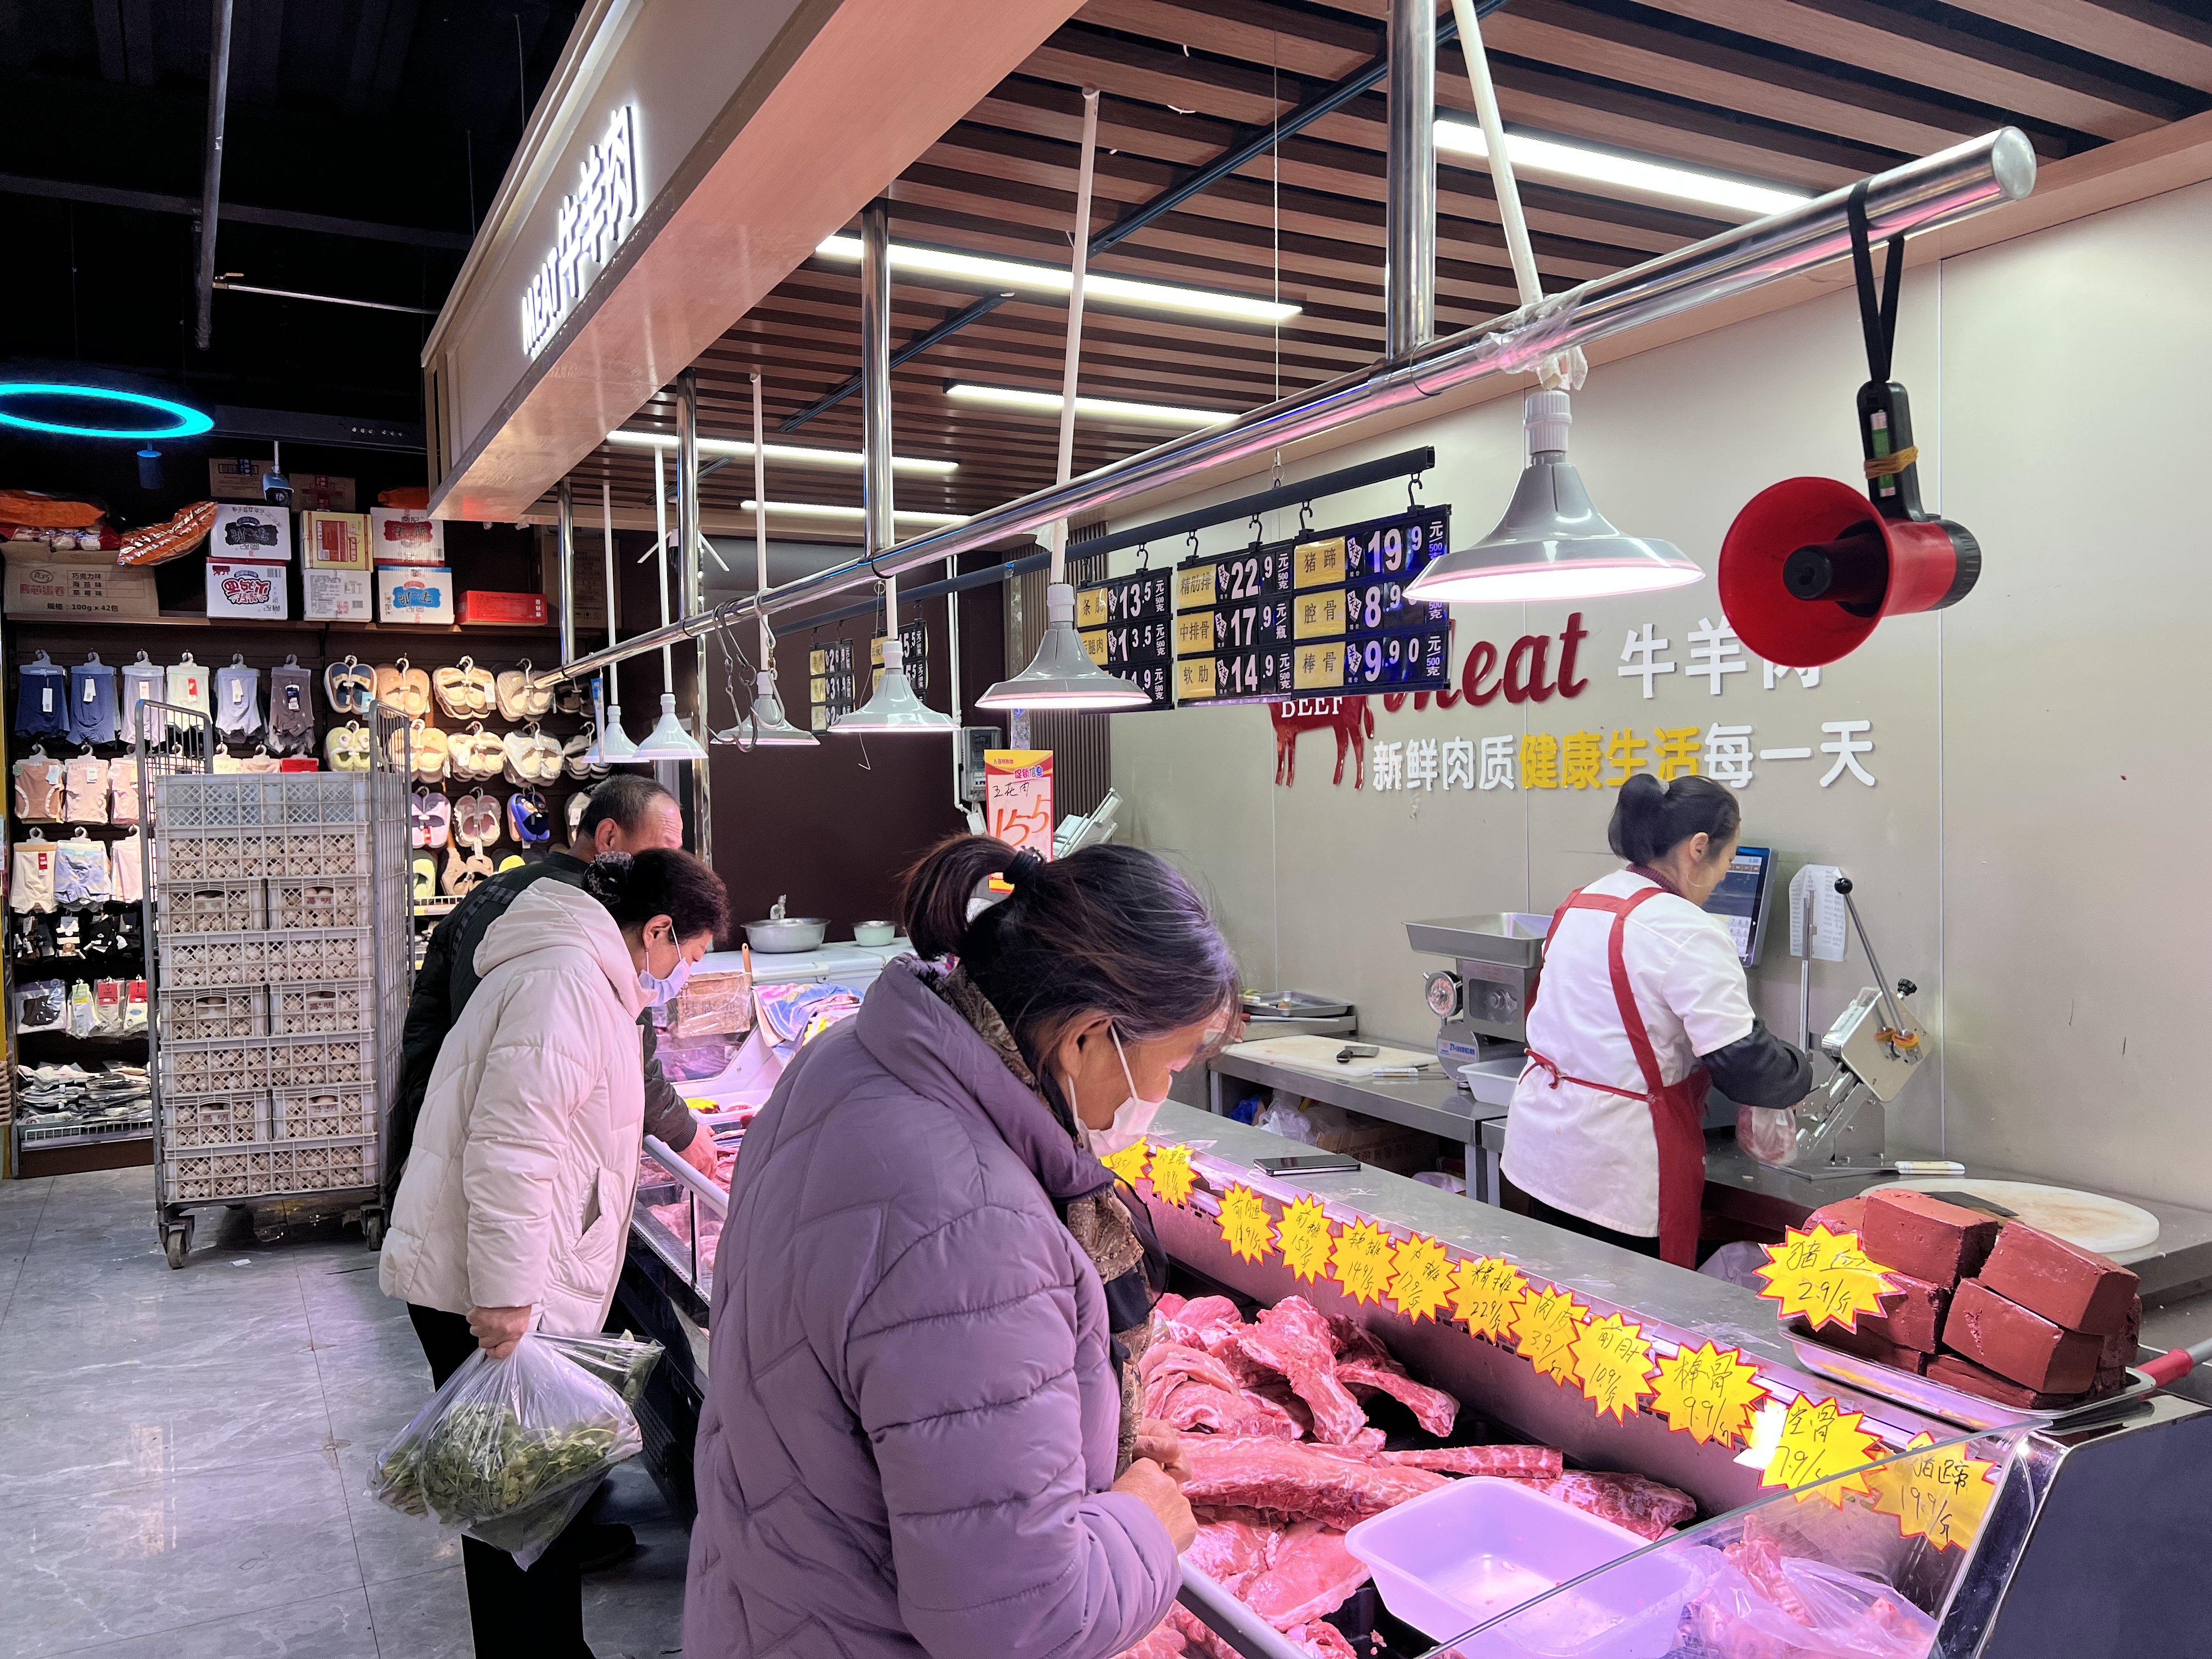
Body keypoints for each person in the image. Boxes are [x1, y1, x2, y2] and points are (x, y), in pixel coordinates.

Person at [684, 836, 1239, 1659]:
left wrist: (1088, 1447)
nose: (1162, 1093)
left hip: (770, 1603)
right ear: (1088, 1039)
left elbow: (912, 1409)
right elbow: (1016, 1622)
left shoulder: (846, 1059)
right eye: (1173, 1064)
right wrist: (1142, 1525)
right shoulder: (978, 1227)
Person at [382, 847, 730, 1659]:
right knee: (513, 1506)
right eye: (688, 954)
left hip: (504, 1273)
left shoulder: (583, 974)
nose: (681, 974)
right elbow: (512, 1148)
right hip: (487, 1283)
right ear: (657, 929)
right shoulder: (566, 982)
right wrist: (506, 1295)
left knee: (528, 1500)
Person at [1504, 772, 1811, 1267]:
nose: (1723, 877)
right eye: (1729, 860)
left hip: (1546, 1150)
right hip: (1620, 1168)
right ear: (1699, 848)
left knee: (1562, 1298)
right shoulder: (1689, 930)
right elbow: (1743, 1063)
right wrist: (1799, 1071)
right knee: (1632, 1308)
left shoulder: (1583, 901)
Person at [390, 775, 717, 1203]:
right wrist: (684, 1131)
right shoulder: (600, 923)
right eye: (663, 850)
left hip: (454, 1133)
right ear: (609, 837)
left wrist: (427, 1117)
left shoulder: (490, 891)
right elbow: (633, 1057)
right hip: (524, 1165)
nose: (669, 866)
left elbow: (427, 1015)